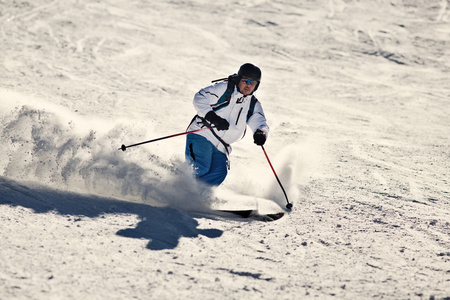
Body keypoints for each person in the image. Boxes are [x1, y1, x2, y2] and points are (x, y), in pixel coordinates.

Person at [185, 63, 269, 186]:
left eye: (253, 83)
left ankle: (195, 196)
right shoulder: (225, 89)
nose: (248, 85)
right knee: (200, 168)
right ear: (239, 79)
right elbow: (200, 97)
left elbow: (260, 123)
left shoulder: (252, 104)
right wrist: (213, 118)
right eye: (246, 80)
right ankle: (175, 187)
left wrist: (261, 133)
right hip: (203, 134)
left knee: (219, 172)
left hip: (222, 146)